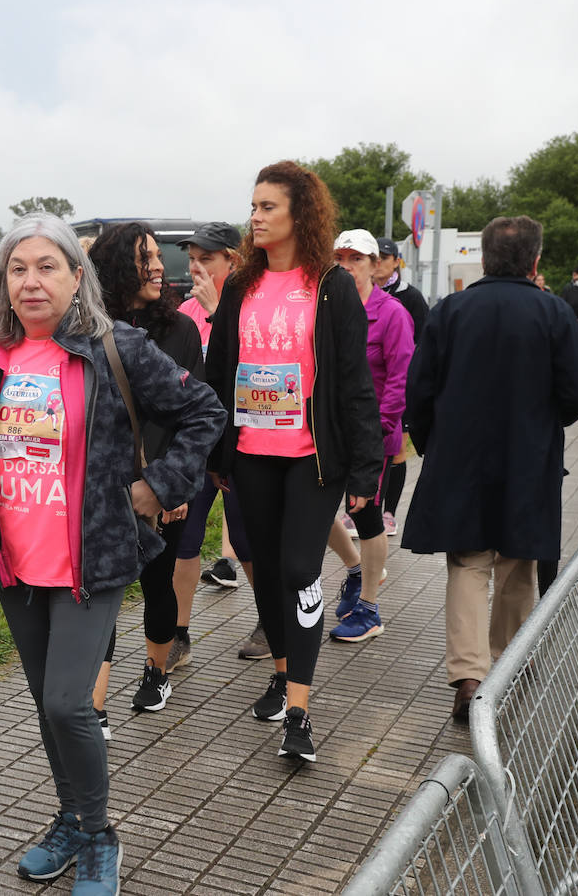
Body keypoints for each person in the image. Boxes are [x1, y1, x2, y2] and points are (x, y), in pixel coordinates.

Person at [0, 213, 223, 894]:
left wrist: (158, 486)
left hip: (89, 557)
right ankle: (71, 817)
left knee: (72, 703)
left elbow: (204, 412)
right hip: (15, 559)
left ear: (78, 277)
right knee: (49, 703)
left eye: (48, 266)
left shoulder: (115, 347)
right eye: (18, 269)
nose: (31, 281)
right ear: (2, 282)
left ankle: (100, 834)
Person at [203, 161, 382, 763]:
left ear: (299, 215)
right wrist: (216, 452)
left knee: (301, 568)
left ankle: (300, 712)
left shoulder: (332, 287)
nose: (254, 217)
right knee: (267, 570)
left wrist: (365, 470)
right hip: (250, 456)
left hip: (311, 459)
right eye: (252, 206)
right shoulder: (239, 287)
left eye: (267, 208)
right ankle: (281, 673)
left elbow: (355, 385)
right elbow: (218, 374)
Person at [402, 216, 578, 723]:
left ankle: (469, 678)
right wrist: (543, 423)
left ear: (484, 259)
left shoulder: (451, 310)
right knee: (517, 563)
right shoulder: (553, 312)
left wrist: (430, 442)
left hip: (459, 458)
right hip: (527, 458)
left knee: (467, 564)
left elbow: (418, 390)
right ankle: (506, 666)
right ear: (535, 260)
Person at [88, 221, 201, 712]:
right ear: (116, 268)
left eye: (157, 255)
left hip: (160, 485)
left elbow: (194, 412)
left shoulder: (180, 330)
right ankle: (95, 709)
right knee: (101, 593)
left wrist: (171, 486)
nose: (158, 266)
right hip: (103, 488)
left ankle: (156, 671)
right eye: (144, 257)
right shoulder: (89, 331)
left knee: (158, 586)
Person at [171, 222, 264, 664]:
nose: (195, 267)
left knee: (246, 541)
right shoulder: (186, 312)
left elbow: (255, 372)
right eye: (191, 258)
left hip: (242, 443)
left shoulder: (253, 304)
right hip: (195, 446)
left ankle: (270, 622)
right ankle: (178, 635)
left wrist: (217, 314)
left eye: (206, 258)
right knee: (184, 541)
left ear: (234, 260)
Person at [324, 231, 414, 642]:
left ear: (375, 266)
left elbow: (400, 380)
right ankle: (356, 570)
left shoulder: (392, 314)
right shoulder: (325, 310)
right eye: (339, 257)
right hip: (328, 433)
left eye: (356, 259)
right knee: (320, 509)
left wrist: (376, 433)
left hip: (374, 435)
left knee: (367, 517)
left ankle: (370, 608)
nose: (346, 265)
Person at [373, 237, 427, 537]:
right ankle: (360, 511)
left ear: (396, 261)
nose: (378, 261)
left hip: (400, 385)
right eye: (374, 256)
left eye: (385, 257)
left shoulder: (410, 297)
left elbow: (424, 342)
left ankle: (389, 513)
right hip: (369, 386)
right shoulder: (358, 292)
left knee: (396, 450)